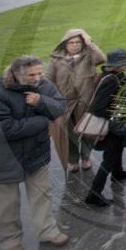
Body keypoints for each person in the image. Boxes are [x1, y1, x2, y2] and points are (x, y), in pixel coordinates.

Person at [0, 55, 70, 250]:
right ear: (16, 74)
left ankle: (48, 231)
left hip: (35, 154)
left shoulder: (44, 86)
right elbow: (1, 129)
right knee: (5, 206)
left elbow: (60, 107)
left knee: (42, 196)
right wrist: (42, 122)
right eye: (31, 74)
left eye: (39, 72)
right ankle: (11, 243)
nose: (37, 78)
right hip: (1, 160)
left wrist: (40, 101)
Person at [46, 28, 106, 172]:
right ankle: (72, 160)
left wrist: (89, 42)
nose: (75, 45)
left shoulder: (88, 55)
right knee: (69, 133)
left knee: (87, 132)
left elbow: (102, 59)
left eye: (78, 42)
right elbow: (48, 80)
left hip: (85, 102)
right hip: (65, 104)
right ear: (65, 44)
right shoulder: (56, 59)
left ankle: (85, 157)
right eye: (71, 42)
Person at [84, 48, 126, 207]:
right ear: (121, 65)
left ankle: (118, 173)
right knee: (108, 158)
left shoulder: (109, 76)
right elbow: (98, 108)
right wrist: (119, 113)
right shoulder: (111, 80)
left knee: (117, 149)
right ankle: (94, 193)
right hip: (110, 125)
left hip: (112, 124)